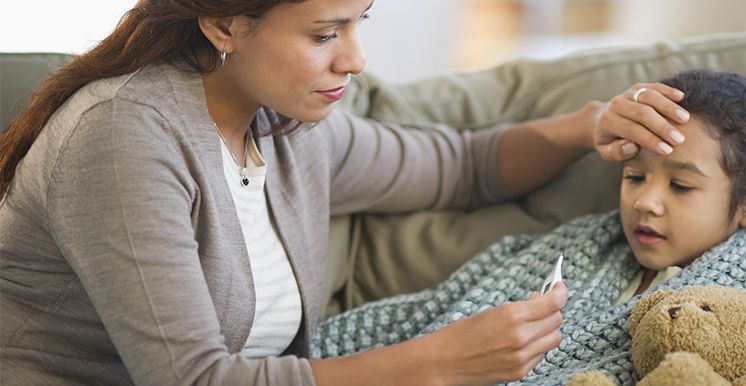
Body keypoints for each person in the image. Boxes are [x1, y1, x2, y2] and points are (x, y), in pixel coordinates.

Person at [0, 1, 693, 385]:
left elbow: (462, 166)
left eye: (361, 21)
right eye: (325, 33)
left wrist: (587, 125)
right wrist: (437, 362)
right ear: (224, 25)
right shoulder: (125, 137)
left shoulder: (287, 126)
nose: (355, 59)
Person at [307, 69, 746, 385]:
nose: (647, 203)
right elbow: (437, 310)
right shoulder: (580, 244)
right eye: (635, 176)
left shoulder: (738, 298)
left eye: (680, 187)